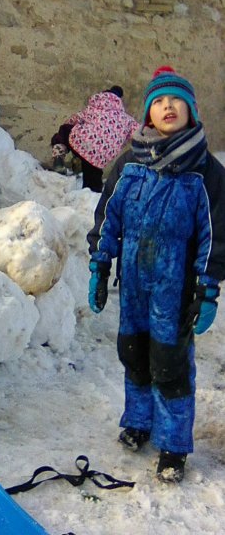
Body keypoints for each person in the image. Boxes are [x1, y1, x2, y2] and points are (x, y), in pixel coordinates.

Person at [87, 66, 225, 483]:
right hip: (134, 283)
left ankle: (174, 445)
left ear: (191, 110)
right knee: (134, 354)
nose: (168, 107)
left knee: (170, 366)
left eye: (176, 100)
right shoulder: (130, 163)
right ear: (148, 112)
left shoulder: (206, 171)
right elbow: (109, 216)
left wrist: (208, 287)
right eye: (159, 101)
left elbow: (216, 234)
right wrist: (100, 262)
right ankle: (138, 422)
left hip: (174, 288)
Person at [50, 86, 139, 192]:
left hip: (83, 143)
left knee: (65, 130)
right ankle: (91, 193)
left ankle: (59, 155)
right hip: (100, 157)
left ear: (104, 94)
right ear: (119, 100)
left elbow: (74, 119)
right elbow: (139, 133)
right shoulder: (127, 119)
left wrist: (71, 127)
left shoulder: (95, 107)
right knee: (92, 186)